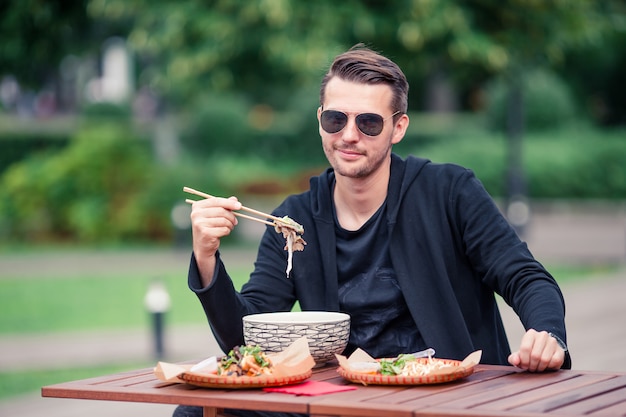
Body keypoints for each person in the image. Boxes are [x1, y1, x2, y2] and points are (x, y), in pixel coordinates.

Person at [174, 44, 570, 417]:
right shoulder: (294, 219)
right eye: (335, 119)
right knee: (198, 410)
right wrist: (206, 259)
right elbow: (247, 342)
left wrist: (546, 333)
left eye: (368, 122)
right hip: (340, 402)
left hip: (444, 398)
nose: (348, 135)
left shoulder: (449, 192)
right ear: (320, 121)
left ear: (398, 128)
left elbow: (525, 276)